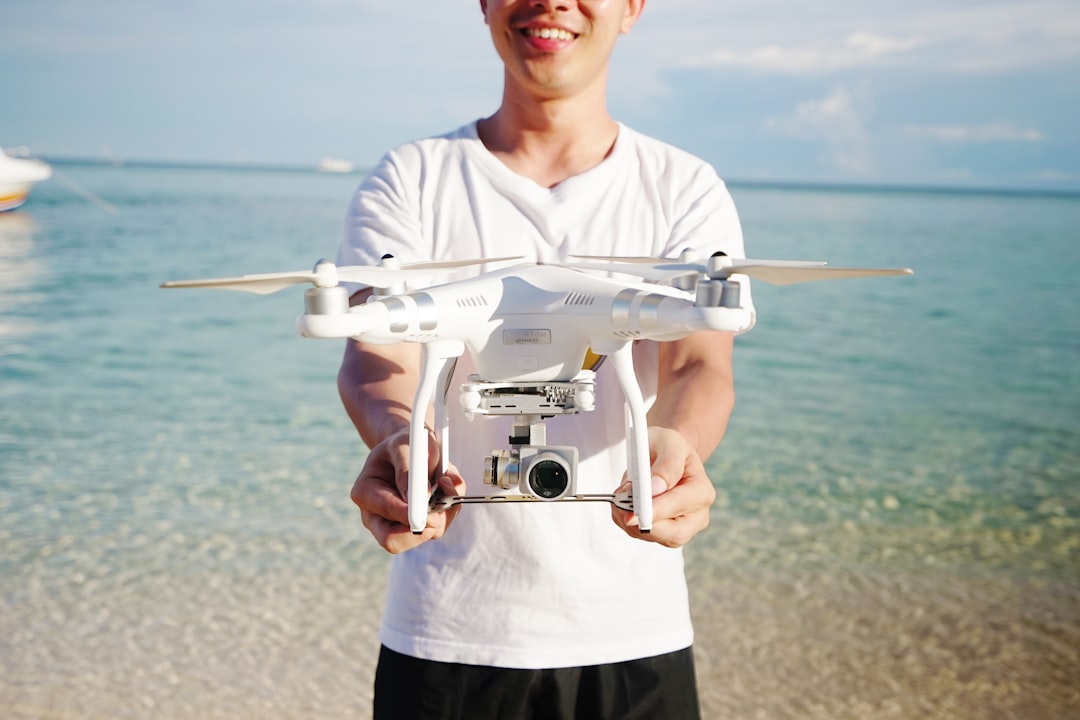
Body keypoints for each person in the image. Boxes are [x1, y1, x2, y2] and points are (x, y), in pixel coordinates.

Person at [336, 1, 755, 717]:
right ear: (485, 5)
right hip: (446, 633)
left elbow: (697, 364)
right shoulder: (412, 177)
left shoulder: (683, 187)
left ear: (632, 9)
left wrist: (674, 449)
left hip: (634, 629)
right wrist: (402, 435)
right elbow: (377, 353)